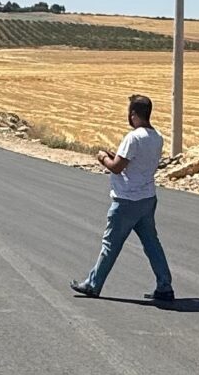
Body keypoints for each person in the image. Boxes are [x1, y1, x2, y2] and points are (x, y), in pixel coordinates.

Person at [72, 94, 174, 303]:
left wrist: (102, 158)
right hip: (147, 198)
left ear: (134, 114)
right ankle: (165, 286)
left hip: (127, 200)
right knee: (152, 244)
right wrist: (115, 155)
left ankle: (93, 284)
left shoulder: (133, 137)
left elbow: (117, 168)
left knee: (110, 244)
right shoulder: (157, 137)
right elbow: (135, 161)